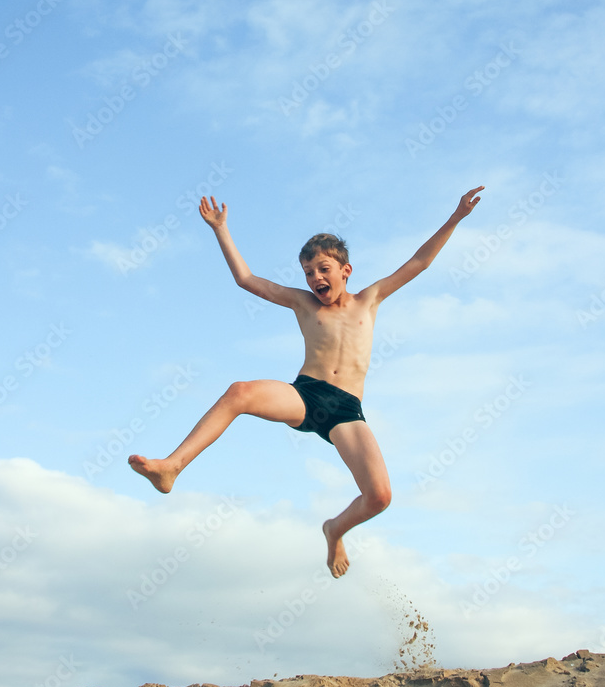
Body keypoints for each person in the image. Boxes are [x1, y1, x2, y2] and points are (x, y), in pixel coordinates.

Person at [129, 187, 484, 577]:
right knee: (239, 392)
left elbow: (419, 261)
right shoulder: (303, 302)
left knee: (380, 496)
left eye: (323, 269)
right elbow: (246, 279)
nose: (315, 278)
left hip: (346, 410)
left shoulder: (370, 299)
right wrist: (220, 230)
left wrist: (455, 218)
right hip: (304, 394)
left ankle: (335, 530)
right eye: (308, 272)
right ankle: (172, 467)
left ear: (345, 271)